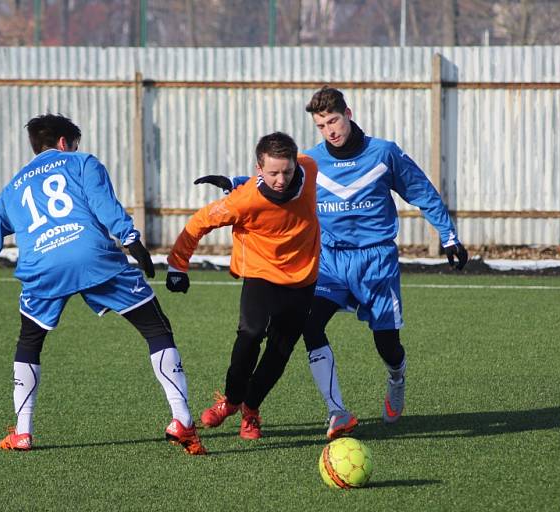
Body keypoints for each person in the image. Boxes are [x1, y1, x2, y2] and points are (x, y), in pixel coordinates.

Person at [195, 87, 468, 440]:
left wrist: (448, 235)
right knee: (309, 325)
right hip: (328, 261)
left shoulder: (384, 154)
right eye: (321, 125)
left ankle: (397, 374)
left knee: (387, 344)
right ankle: (337, 411)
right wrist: (235, 183)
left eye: (334, 121)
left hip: (375, 262)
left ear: (348, 113)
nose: (330, 130)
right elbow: (277, 182)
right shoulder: (309, 162)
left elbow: (421, 191)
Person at [0, 113, 205, 455]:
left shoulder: (12, 189)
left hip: (42, 269)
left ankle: (22, 432)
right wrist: (132, 240)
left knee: (30, 341)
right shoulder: (81, 162)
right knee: (156, 330)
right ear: (65, 143)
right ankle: (181, 419)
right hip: (93, 258)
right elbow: (102, 204)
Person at [166, 132, 320, 440]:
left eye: (286, 171)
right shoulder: (244, 200)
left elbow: (297, 168)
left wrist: (236, 179)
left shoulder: (310, 168)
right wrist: (177, 265)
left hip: (303, 277)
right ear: (259, 169)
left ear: (296, 164)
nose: (280, 179)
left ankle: (251, 409)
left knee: (280, 350)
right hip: (261, 273)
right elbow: (199, 222)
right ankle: (232, 401)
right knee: (250, 334)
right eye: (272, 172)